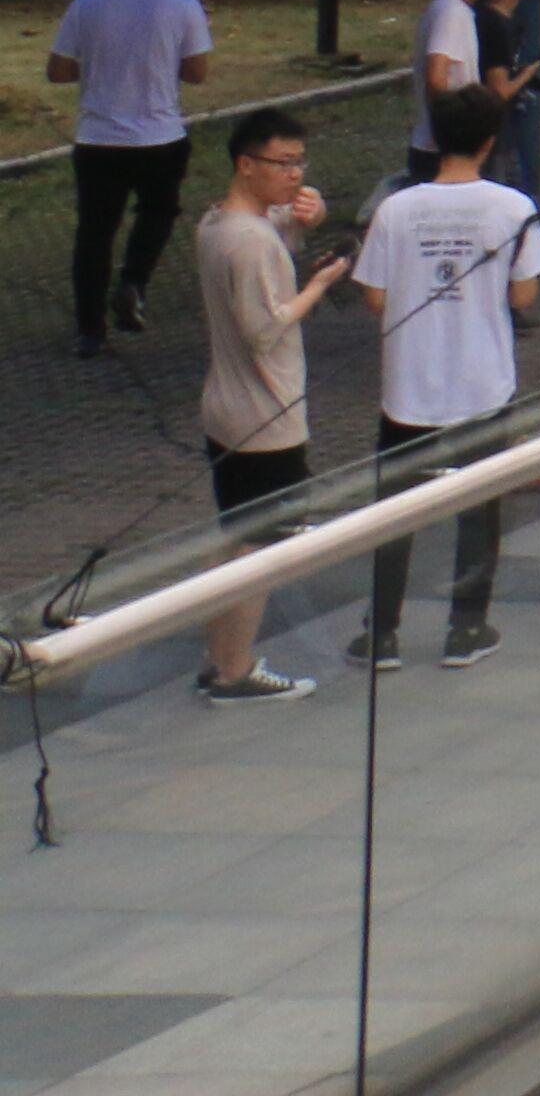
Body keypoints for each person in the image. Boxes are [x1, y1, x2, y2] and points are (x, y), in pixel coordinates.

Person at [355, 83, 540, 669]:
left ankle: (381, 632)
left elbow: (375, 298)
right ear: (490, 140)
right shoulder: (513, 206)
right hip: (483, 382)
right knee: (479, 508)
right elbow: (523, 295)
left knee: (394, 509)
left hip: (408, 386)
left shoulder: (395, 208)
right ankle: (466, 628)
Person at [189, 106, 342, 701]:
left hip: (227, 409)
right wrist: (319, 285)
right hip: (266, 416)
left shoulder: (217, 223)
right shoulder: (251, 243)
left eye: (300, 162)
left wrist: (308, 216)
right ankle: (236, 668)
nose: (294, 175)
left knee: (235, 537)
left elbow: (277, 233)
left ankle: (219, 657)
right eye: (282, 163)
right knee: (261, 548)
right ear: (245, 164)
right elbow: (266, 328)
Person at [51, 0, 213, 352]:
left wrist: (98, 68)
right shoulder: (183, 6)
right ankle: (133, 281)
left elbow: (58, 70)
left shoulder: (86, 6)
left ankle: (89, 328)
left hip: (98, 138)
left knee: (94, 231)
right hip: (160, 135)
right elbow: (197, 72)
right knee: (159, 212)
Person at [407, 0, 500, 182]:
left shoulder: (455, 9)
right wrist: (457, 129)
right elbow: (436, 77)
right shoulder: (451, 12)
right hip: (442, 151)